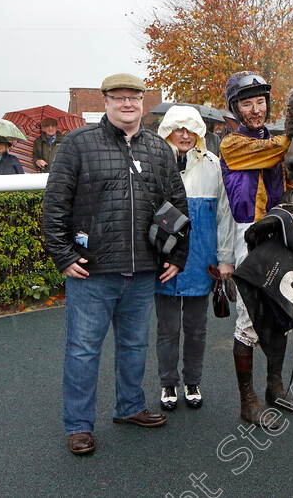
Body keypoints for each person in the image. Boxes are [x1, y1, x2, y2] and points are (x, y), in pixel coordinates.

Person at [43, 73, 189, 456]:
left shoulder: (159, 148)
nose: (128, 104)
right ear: (105, 101)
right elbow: (55, 205)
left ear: (143, 102)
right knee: (82, 351)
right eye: (119, 97)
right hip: (92, 271)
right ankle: (78, 426)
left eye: (134, 97)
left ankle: (130, 407)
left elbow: (177, 205)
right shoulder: (77, 144)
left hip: (143, 270)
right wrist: (63, 255)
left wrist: (176, 255)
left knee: (134, 345)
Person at [219, 71, 293, 427]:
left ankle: (275, 387)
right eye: (247, 103)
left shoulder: (278, 139)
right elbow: (273, 151)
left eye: (260, 102)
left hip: (279, 233)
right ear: (236, 109)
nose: (255, 110)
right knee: (249, 321)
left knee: (282, 312)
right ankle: (247, 401)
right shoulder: (232, 144)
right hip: (247, 238)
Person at [155, 105, 236, 411]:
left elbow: (225, 217)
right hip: (163, 260)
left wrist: (226, 257)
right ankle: (167, 385)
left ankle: (192, 382)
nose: (185, 135)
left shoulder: (214, 165)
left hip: (203, 260)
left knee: (196, 327)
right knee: (167, 328)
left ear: (200, 132)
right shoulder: (155, 166)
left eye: (190, 129)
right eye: (178, 128)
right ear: (168, 132)